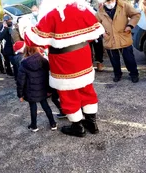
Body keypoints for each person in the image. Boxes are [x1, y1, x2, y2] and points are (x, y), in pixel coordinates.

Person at [24, 0, 105, 137]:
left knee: (69, 93)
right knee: (87, 88)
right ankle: (92, 123)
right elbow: (95, 33)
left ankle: (77, 127)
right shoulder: (81, 8)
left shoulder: (52, 13)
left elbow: (33, 40)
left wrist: (25, 28)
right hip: (83, 56)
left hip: (62, 61)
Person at [96, 0, 140, 83]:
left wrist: (130, 25)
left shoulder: (124, 6)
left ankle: (134, 74)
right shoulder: (100, 11)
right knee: (114, 60)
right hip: (109, 39)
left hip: (123, 37)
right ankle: (117, 74)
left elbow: (136, 15)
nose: (109, 2)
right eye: (107, 1)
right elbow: (96, 23)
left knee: (129, 59)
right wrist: (102, 33)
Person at [17, 46, 57, 132]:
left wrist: (20, 95)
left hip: (30, 91)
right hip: (42, 89)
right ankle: (53, 123)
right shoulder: (44, 61)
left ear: (26, 51)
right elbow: (48, 76)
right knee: (46, 106)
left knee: (33, 107)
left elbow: (20, 81)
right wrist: (49, 89)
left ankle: (34, 125)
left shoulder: (23, 64)